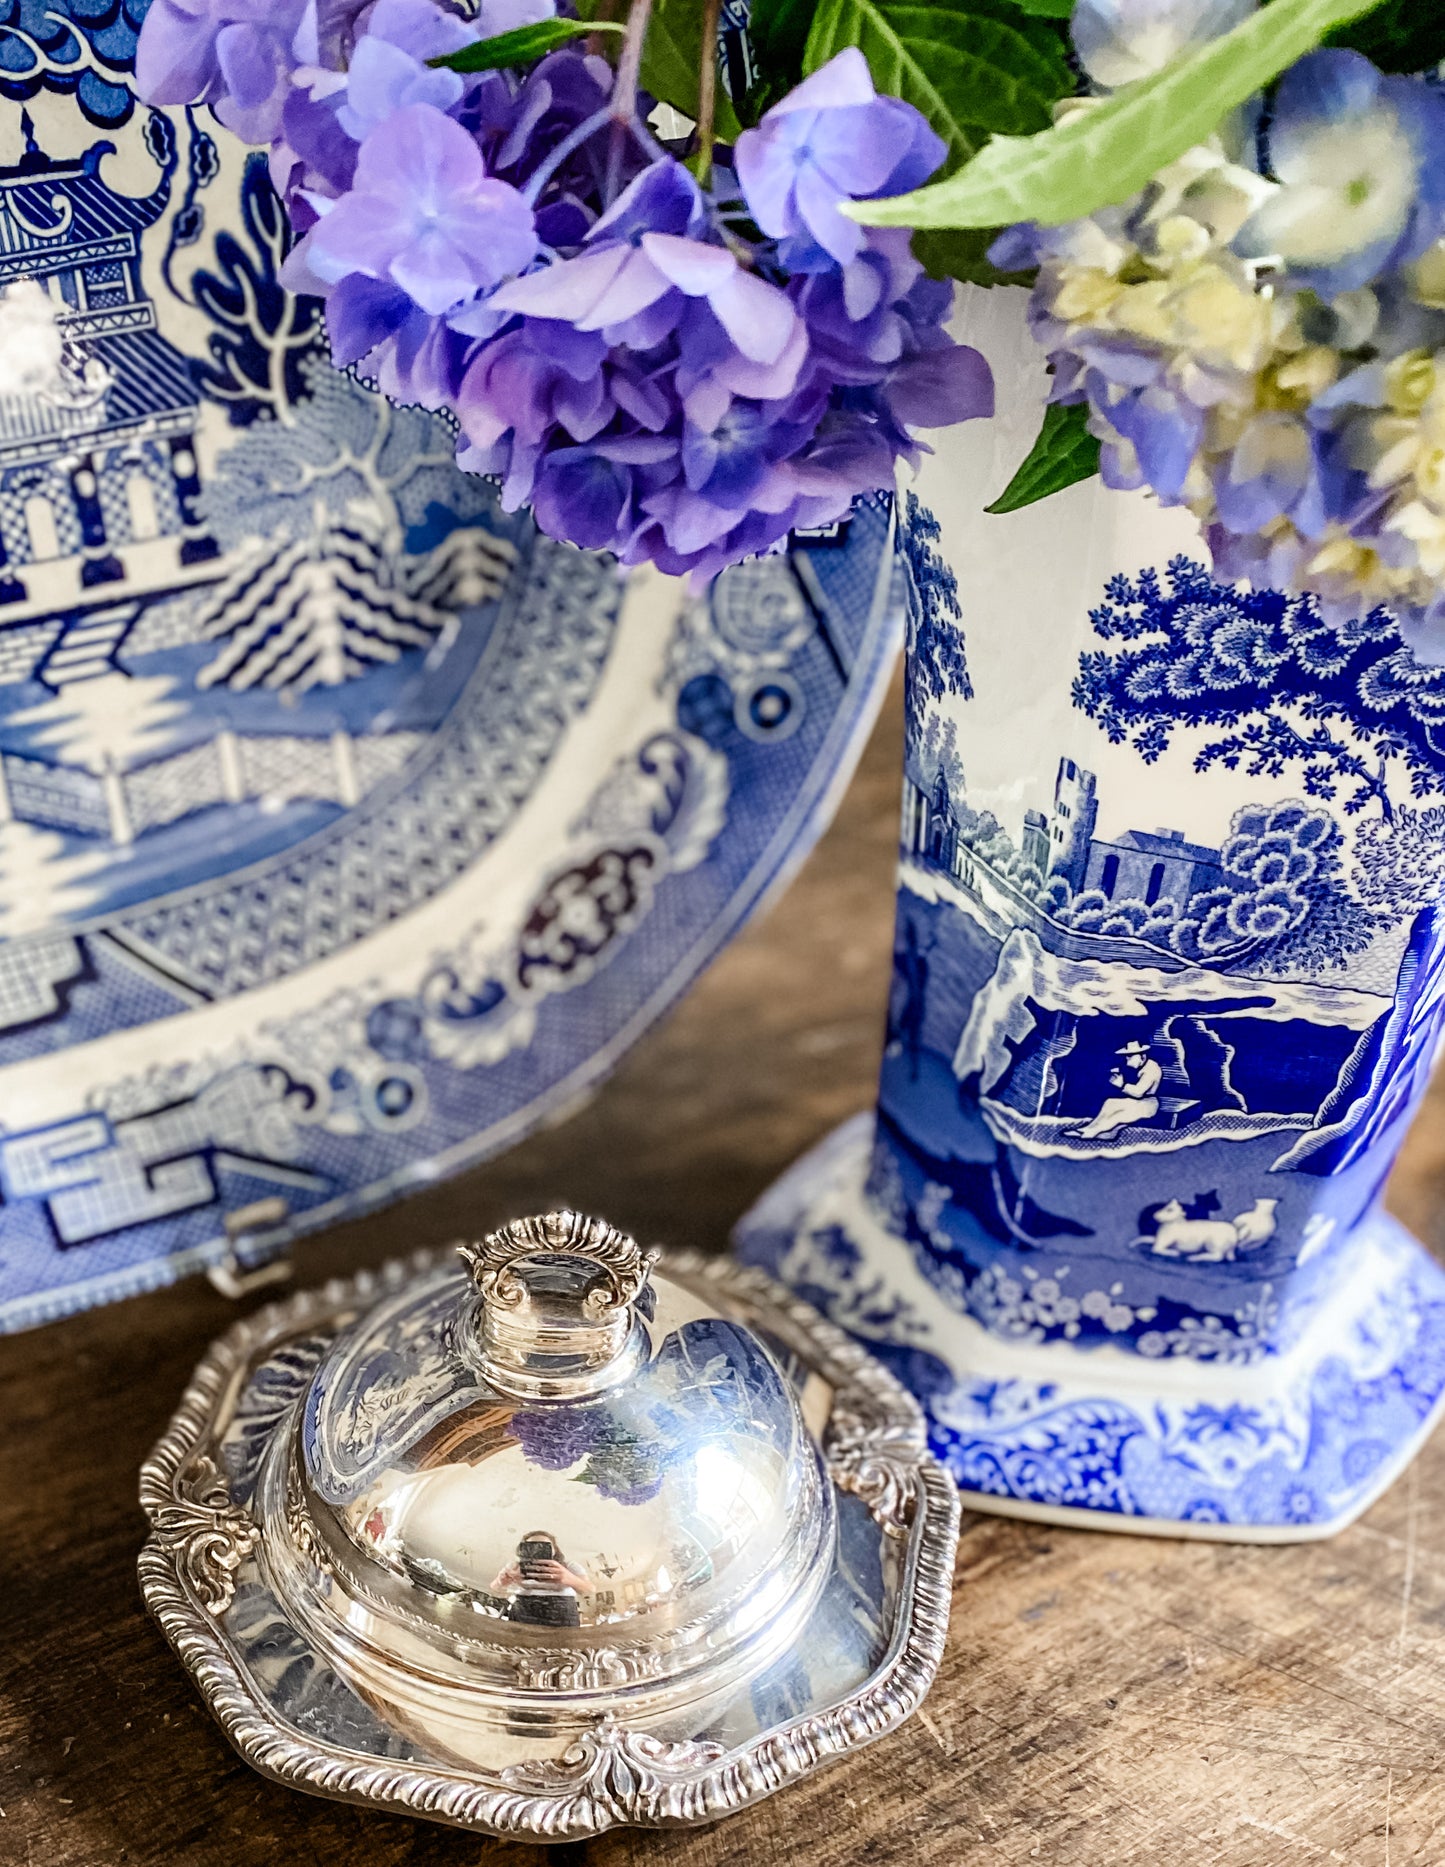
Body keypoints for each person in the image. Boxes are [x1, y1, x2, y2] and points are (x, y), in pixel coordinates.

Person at [490, 1532, 591, 1628]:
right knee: (519, 1642)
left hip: (563, 1610)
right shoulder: (515, 1566)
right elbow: (494, 1587)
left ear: (554, 1549)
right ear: (523, 1549)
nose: (537, 1549)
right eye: (531, 1546)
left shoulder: (569, 1566)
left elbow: (589, 1590)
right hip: (523, 1609)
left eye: (544, 1545)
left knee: (563, 1643)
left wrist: (567, 1577)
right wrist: (501, 1581)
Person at [1072, 1039, 1162, 1139]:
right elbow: (1124, 1070)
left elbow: (1138, 1092)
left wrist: (1122, 1085)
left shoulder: (1151, 1069)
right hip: (1138, 1102)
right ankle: (1089, 1129)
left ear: (1142, 1056)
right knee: (1110, 1102)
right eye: (1127, 1056)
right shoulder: (1141, 1064)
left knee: (1119, 1115)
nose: (1127, 1059)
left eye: (1130, 1056)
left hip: (1149, 1105)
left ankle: (1091, 1133)